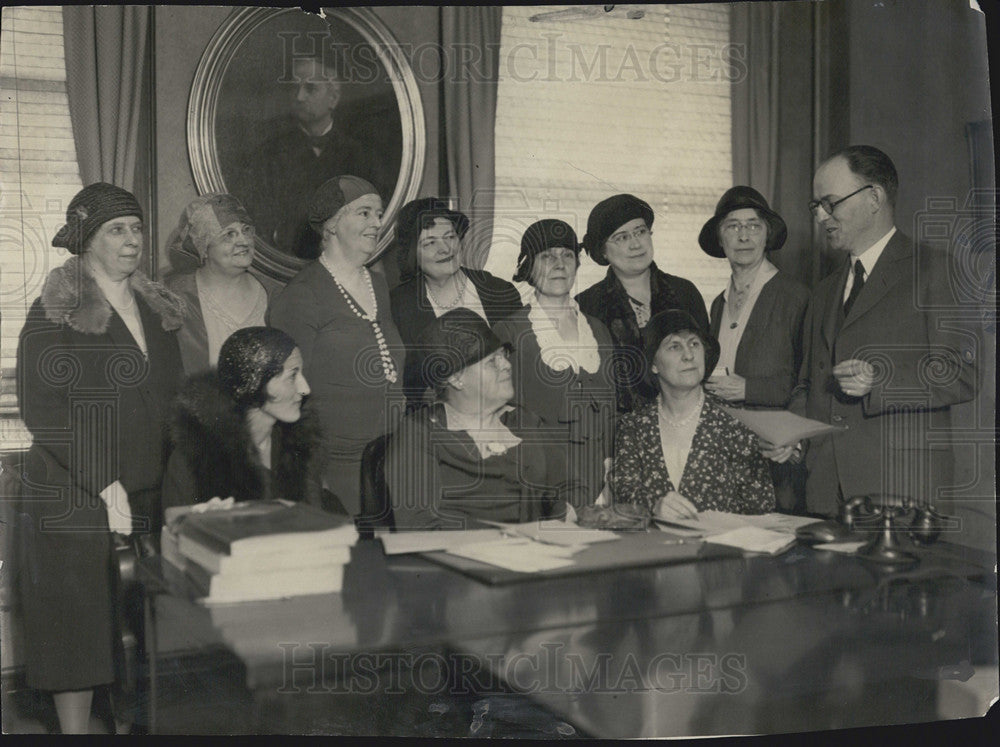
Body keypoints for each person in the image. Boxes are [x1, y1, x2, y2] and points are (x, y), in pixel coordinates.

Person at [15, 183, 184, 733]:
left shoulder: (156, 310)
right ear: (86, 241)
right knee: (77, 628)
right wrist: (103, 482)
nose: (132, 239)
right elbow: (43, 407)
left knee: (140, 624)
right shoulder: (55, 310)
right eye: (117, 229)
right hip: (71, 490)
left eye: (137, 228)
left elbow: (171, 404)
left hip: (145, 489)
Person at [782, 145, 977, 519]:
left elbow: (964, 372)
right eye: (816, 206)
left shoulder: (936, 270)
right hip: (825, 494)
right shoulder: (824, 290)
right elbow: (809, 384)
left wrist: (880, 380)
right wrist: (789, 436)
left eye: (830, 202)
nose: (821, 216)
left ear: (874, 197)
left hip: (901, 495)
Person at [269, 175, 405, 516]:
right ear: (332, 225)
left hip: (394, 460)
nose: (377, 222)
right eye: (364, 213)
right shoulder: (302, 294)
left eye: (379, 213)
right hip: (338, 470)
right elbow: (289, 398)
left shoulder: (377, 284)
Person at [387, 308, 564, 530]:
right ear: (455, 378)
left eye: (504, 355)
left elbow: (565, 493)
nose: (507, 365)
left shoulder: (524, 421)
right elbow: (419, 527)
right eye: (492, 361)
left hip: (537, 557)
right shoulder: (419, 433)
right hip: (458, 558)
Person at [698, 186, 811, 512]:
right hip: (727, 453)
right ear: (721, 239)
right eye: (733, 226)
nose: (743, 236)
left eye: (753, 226)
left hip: (777, 454)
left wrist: (750, 388)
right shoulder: (718, 303)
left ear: (767, 235)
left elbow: (810, 380)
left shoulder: (795, 296)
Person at [492, 219, 617, 509]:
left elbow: (611, 407)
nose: (559, 264)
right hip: (540, 482)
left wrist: (612, 475)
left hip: (602, 483)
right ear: (528, 267)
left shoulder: (597, 329)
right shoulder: (509, 331)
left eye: (567, 255)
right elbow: (501, 418)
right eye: (547, 256)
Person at [611, 309, 775, 520]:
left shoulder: (735, 421)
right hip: (653, 549)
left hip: (721, 549)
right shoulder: (633, 426)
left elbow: (761, 506)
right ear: (653, 364)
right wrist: (653, 507)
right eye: (674, 346)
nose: (689, 355)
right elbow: (624, 498)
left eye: (694, 344)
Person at [235, 55, 386, 258]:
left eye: (310, 88)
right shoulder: (268, 155)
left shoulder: (361, 155)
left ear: (333, 98)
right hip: (284, 260)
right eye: (294, 88)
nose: (298, 97)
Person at [575, 193, 709, 413]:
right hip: (613, 431)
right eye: (622, 237)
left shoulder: (684, 292)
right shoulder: (585, 305)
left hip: (684, 421)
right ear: (603, 251)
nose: (636, 244)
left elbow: (705, 364)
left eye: (640, 232)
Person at [162, 327, 320, 511]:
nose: (305, 388)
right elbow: (176, 533)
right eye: (292, 376)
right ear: (254, 384)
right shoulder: (193, 459)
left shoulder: (299, 448)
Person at [390, 197, 523, 406]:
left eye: (450, 237)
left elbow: (523, 364)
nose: (445, 249)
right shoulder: (398, 305)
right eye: (430, 243)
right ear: (412, 254)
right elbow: (405, 381)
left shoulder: (499, 292)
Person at [164, 193, 272, 374]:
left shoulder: (275, 293)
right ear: (203, 249)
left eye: (246, 230)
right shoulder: (174, 295)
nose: (243, 241)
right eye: (229, 234)